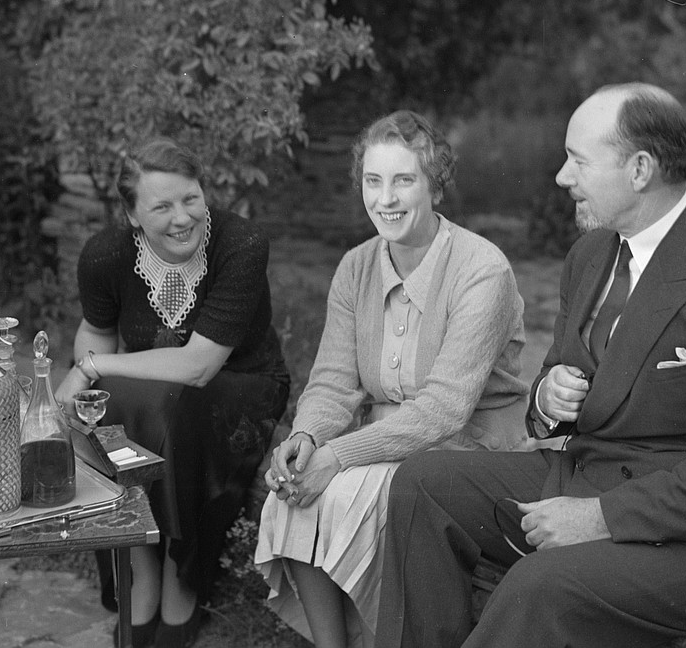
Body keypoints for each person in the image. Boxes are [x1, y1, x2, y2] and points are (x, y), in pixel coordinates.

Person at [372, 83, 686, 648]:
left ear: (641, 169)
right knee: (421, 484)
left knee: (540, 585)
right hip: (585, 476)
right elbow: (555, 390)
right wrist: (547, 401)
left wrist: (599, 518)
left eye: (578, 160)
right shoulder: (592, 254)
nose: (561, 176)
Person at [254, 110, 529, 648]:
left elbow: (446, 410)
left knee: (339, 492)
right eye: (373, 181)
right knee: (290, 492)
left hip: (464, 451)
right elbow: (333, 381)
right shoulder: (356, 267)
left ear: (435, 187)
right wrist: (308, 439)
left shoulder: (482, 270)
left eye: (404, 180)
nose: (387, 198)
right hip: (381, 446)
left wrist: (337, 456)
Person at [55, 136, 289, 648]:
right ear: (133, 215)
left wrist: (91, 367)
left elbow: (199, 366)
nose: (182, 217)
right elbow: (94, 333)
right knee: (112, 407)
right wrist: (86, 375)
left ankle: (182, 583)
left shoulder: (241, 244)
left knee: (175, 407)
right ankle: (140, 570)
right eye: (162, 205)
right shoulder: (106, 255)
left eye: (191, 198)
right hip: (153, 399)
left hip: (238, 386)